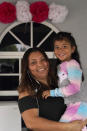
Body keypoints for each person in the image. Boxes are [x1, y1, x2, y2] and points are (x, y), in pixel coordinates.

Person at [18, 47, 87, 131]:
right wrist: (68, 127)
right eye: (33, 63)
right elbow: (31, 123)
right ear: (28, 69)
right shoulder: (27, 91)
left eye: (43, 60)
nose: (40, 64)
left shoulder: (59, 84)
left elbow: (79, 100)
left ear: (47, 62)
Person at [42, 32, 87, 130]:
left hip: (79, 105)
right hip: (74, 105)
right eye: (57, 47)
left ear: (73, 49)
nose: (60, 50)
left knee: (63, 128)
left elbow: (74, 88)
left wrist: (52, 93)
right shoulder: (61, 66)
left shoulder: (72, 64)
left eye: (64, 46)